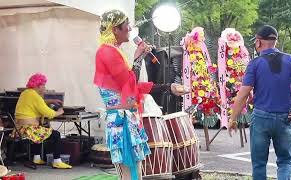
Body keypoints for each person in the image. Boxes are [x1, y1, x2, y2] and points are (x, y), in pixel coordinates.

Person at [94, 10, 185, 180]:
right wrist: (137, 58)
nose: (130, 28)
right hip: (122, 122)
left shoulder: (113, 51)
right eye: (126, 25)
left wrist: (168, 87)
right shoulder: (107, 52)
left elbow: (132, 85)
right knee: (130, 173)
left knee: (135, 171)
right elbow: (128, 85)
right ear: (115, 29)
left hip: (126, 119)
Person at [228, 25, 291, 180]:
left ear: (259, 42)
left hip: (261, 118)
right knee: (285, 161)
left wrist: (233, 119)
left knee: (259, 163)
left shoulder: (255, 63)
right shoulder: (290, 59)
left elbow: (243, 95)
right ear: (275, 42)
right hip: (284, 117)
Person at [15, 73, 72, 169]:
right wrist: (59, 112)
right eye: (43, 85)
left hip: (19, 128)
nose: (45, 87)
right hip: (28, 129)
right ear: (38, 85)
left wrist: (51, 101)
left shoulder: (26, 93)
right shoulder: (34, 96)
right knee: (56, 134)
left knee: (41, 130)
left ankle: (36, 158)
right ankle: (57, 161)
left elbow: (36, 103)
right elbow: (48, 113)